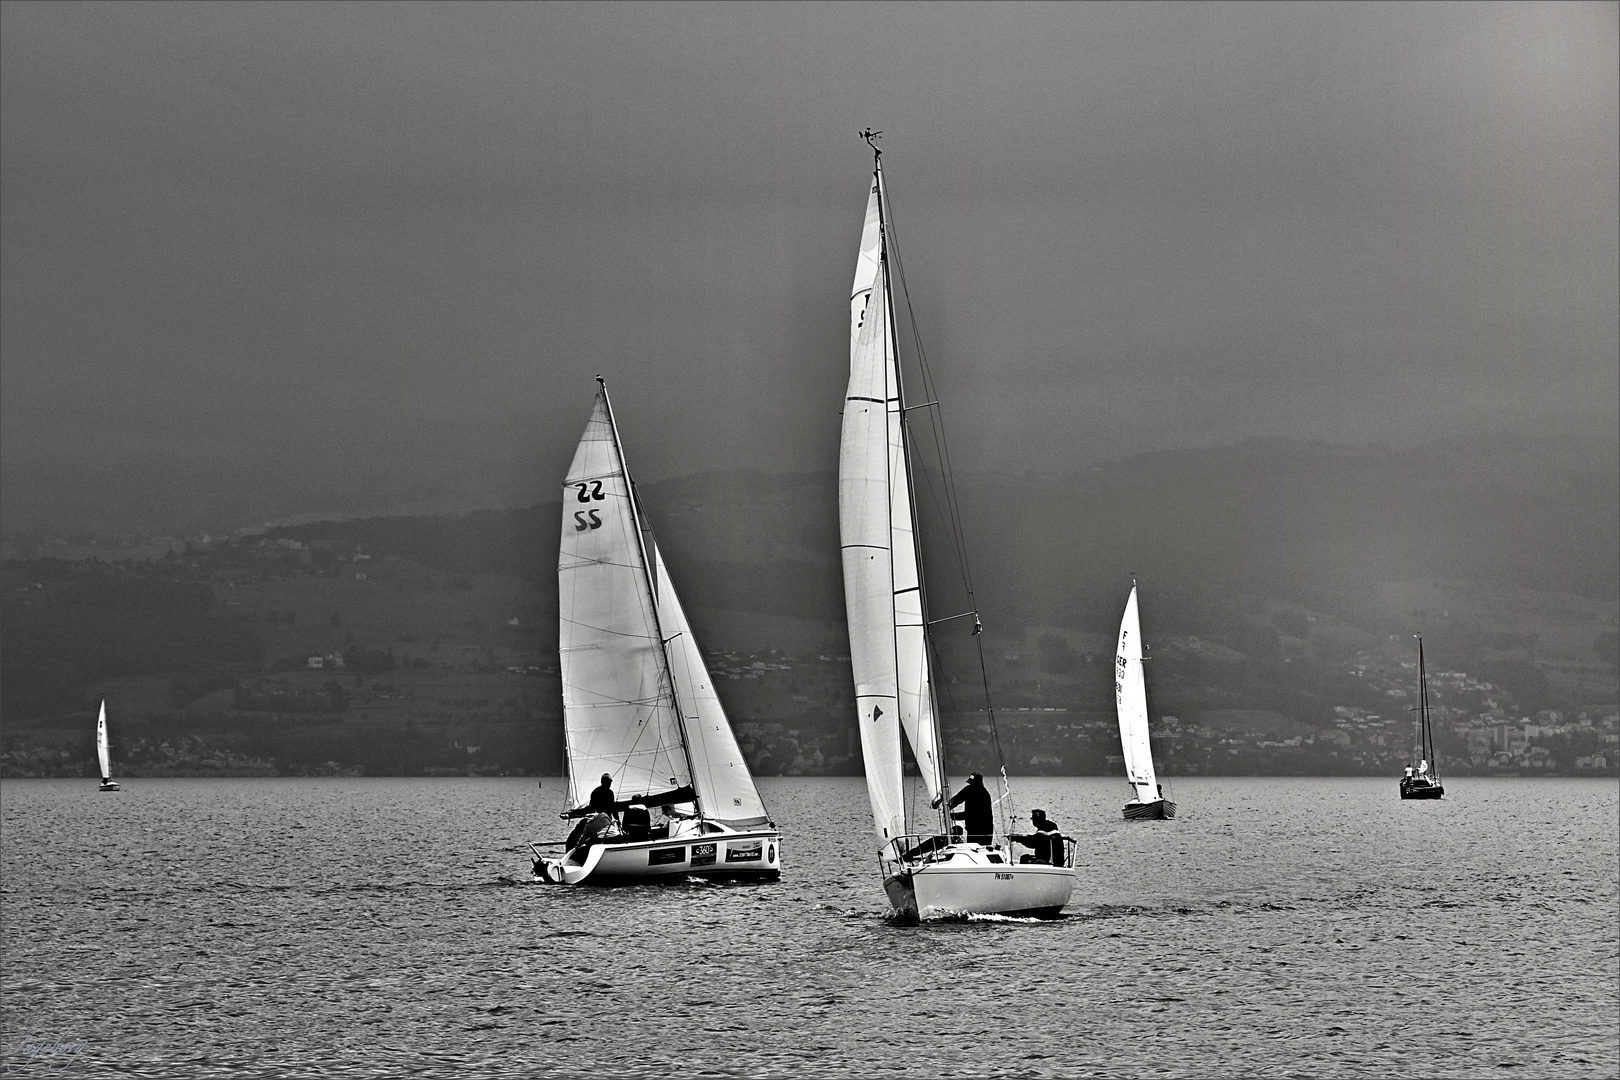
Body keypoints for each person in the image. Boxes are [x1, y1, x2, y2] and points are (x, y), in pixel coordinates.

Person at [935, 772, 993, 845]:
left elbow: (971, 815)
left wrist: (951, 816)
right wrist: (948, 806)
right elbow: (958, 798)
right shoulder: (969, 790)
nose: (971, 785)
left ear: (978, 782)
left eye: (973, 783)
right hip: (974, 830)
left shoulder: (983, 795)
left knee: (978, 849)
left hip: (983, 830)